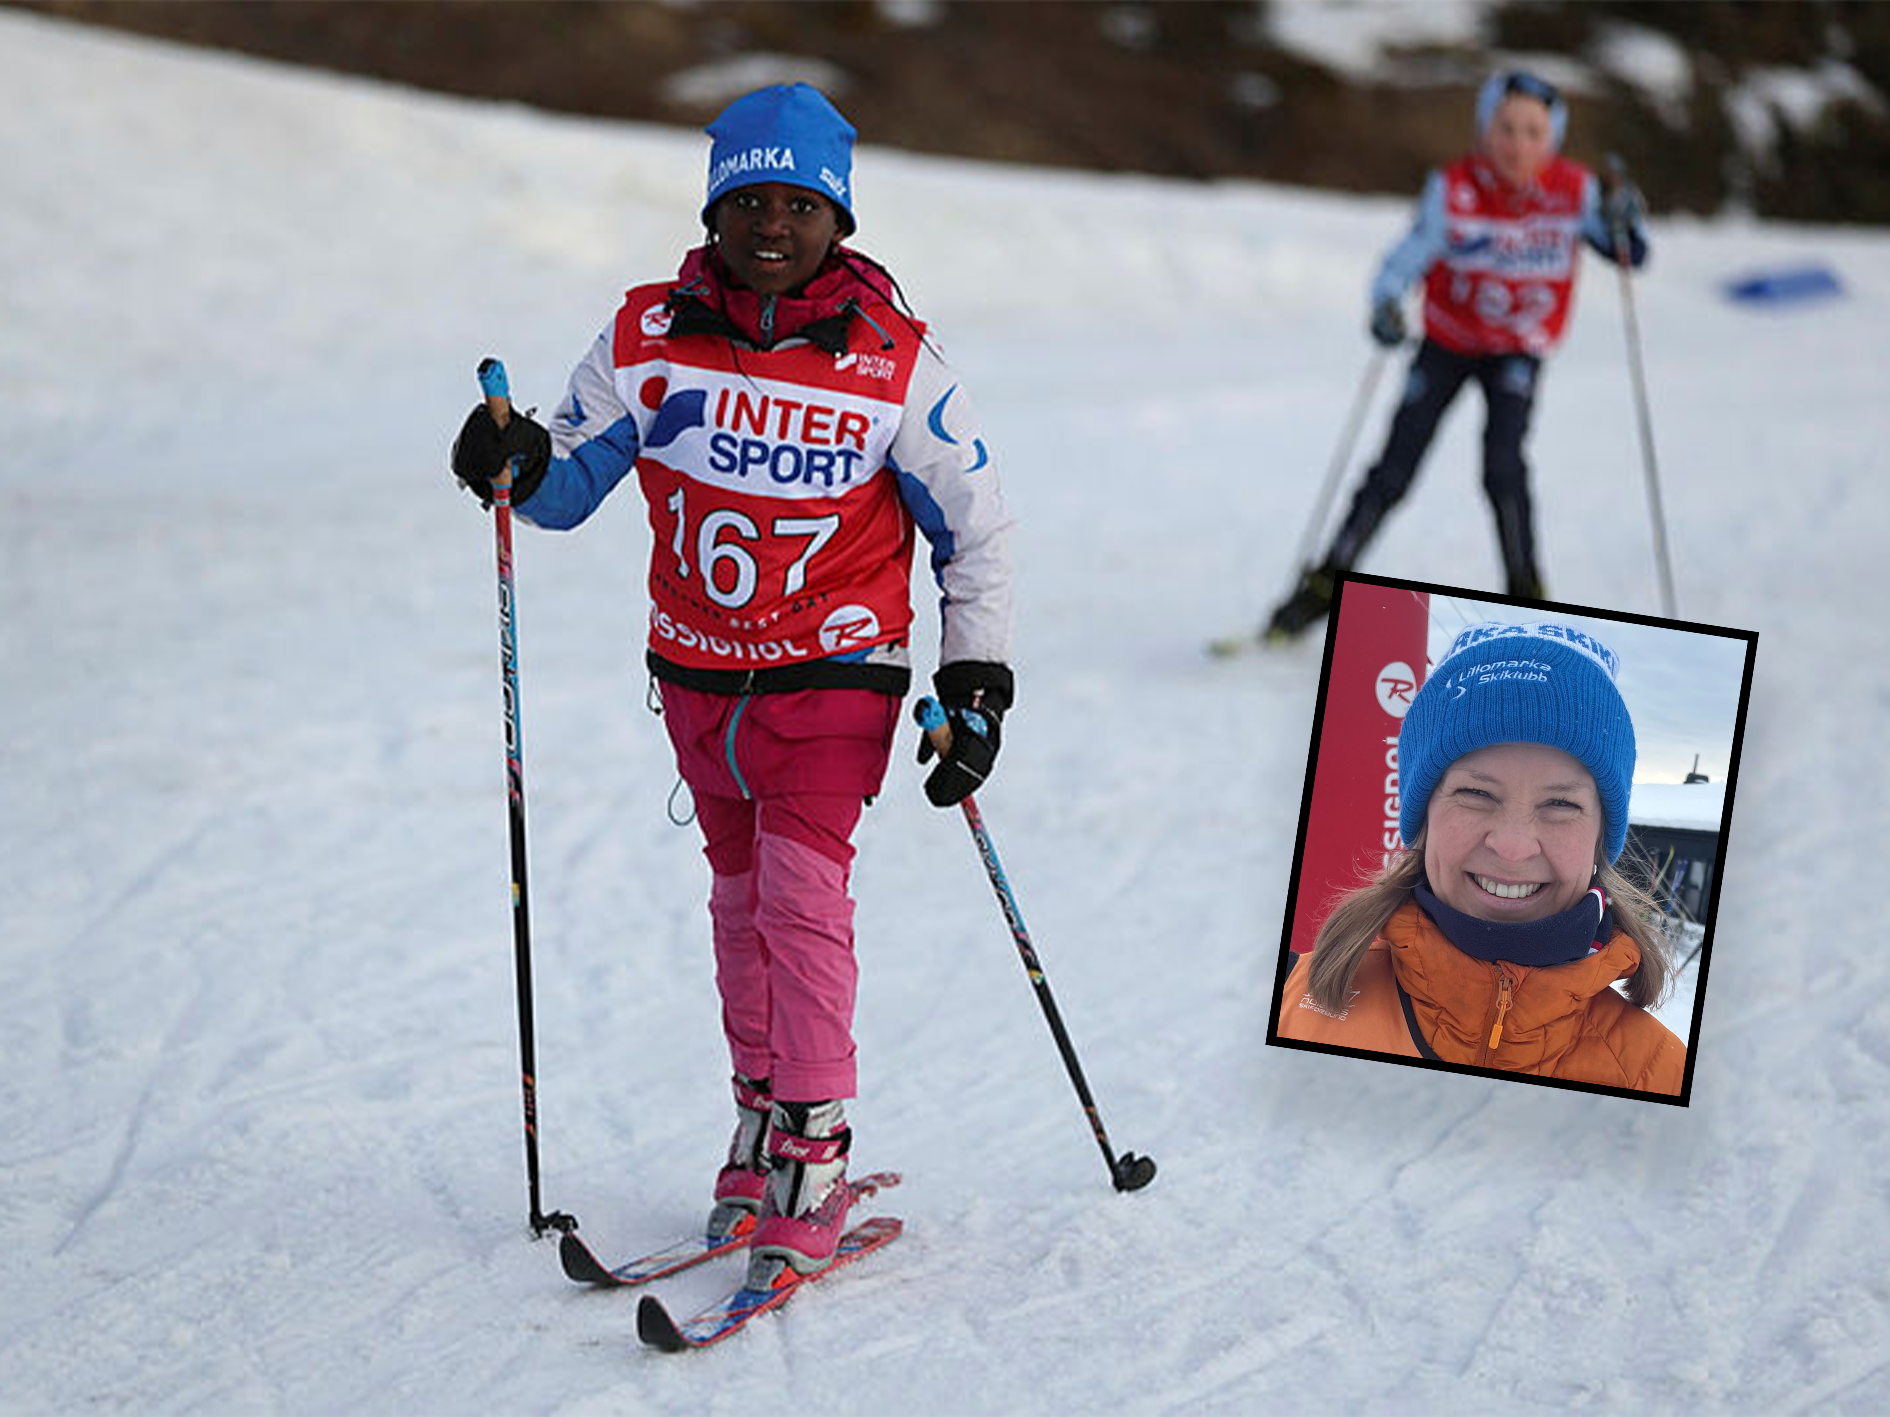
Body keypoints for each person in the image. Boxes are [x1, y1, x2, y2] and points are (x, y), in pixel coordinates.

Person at [449, 84, 1013, 1288]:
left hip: (836, 672)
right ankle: (758, 1120)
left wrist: (977, 681)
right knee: (739, 903)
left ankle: (814, 1139)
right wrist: (512, 459)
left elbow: (976, 526)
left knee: (803, 902)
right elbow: (563, 487)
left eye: (798, 203)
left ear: (838, 217)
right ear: (711, 209)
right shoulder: (646, 336)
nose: (771, 223)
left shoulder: (894, 360)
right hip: (701, 680)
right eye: (747, 198)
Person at [1267, 71, 1651, 639]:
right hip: (1447, 342)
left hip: (1518, 348)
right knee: (1394, 467)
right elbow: (1406, 259)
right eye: (1506, 129)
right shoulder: (1453, 188)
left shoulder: (1575, 190)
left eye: (1532, 132)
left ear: (1553, 139)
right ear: (1484, 130)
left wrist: (1626, 218)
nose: (1518, 145)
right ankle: (1326, 581)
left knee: (1503, 467)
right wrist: (1386, 303)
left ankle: (1527, 592)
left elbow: (1627, 252)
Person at [1275, 620, 1686, 1095]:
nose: (1512, 848)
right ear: (1422, 815)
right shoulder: (1295, 999)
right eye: (1474, 793)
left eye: (1561, 804)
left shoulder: (1659, 1075)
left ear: (1600, 835)